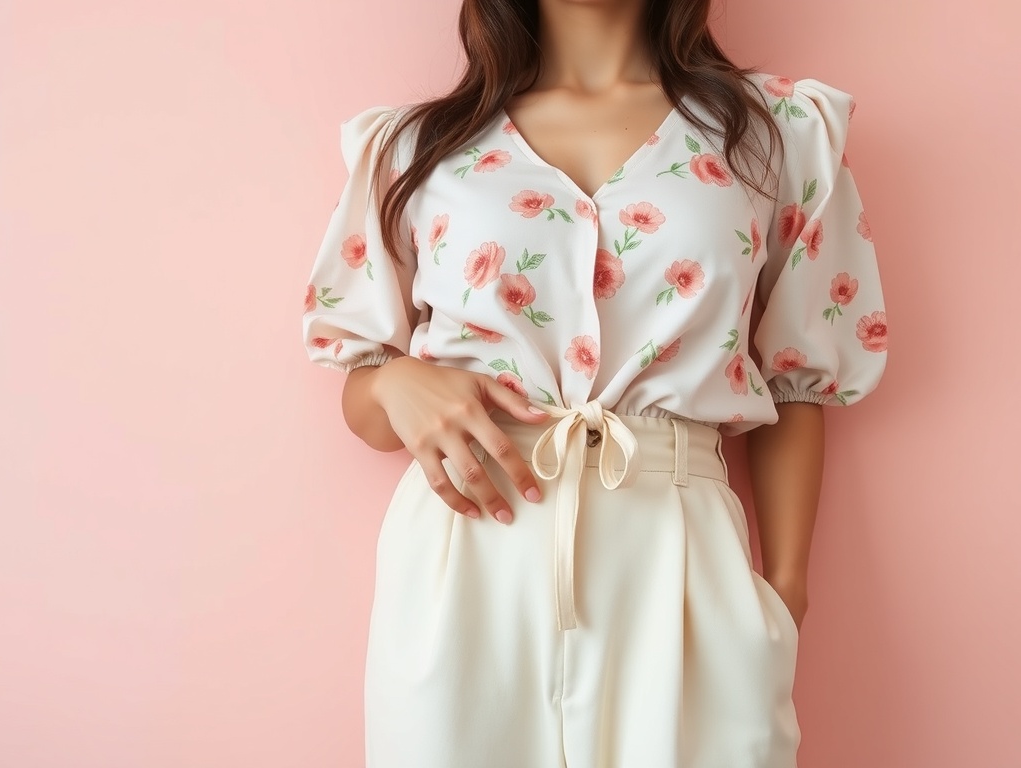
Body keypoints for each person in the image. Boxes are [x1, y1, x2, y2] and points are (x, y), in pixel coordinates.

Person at [301, 1, 887, 765]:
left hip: (679, 556)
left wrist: (784, 595)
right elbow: (365, 385)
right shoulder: (417, 147)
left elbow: (797, 381)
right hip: (467, 555)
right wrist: (394, 383)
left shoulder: (775, 133)